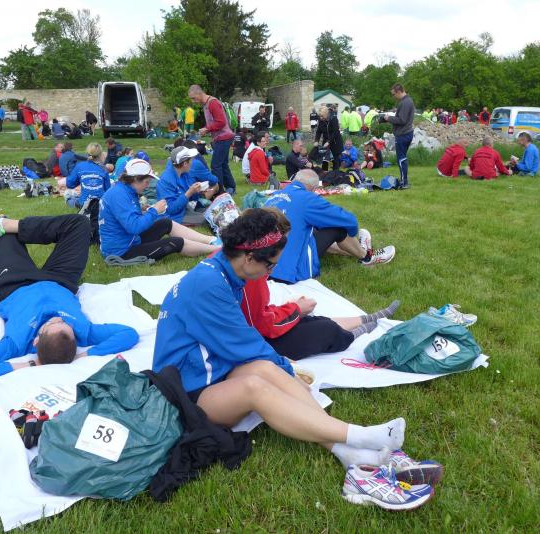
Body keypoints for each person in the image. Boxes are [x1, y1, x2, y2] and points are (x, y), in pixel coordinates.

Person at [152, 208, 436, 509]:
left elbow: (247, 347)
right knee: (255, 387)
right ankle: (362, 436)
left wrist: (283, 369)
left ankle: (350, 455)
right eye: (270, 265)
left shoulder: (222, 272)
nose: (270, 273)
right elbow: (245, 343)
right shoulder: (209, 285)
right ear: (249, 258)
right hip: (185, 397)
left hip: (207, 374)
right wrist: (287, 367)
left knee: (266, 368)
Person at [0, 196, 140, 380]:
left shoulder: (15, 344)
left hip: (17, 285)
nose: (58, 318)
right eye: (65, 323)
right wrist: (85, 355)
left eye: (52, 324)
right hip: (60, 280)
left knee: (3, 237)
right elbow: (129, 334)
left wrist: (28, 365)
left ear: (36, 341)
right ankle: (7, 224)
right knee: (79, 223)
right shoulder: (85, 332)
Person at [242, 207, 400, 359]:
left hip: (252, 332)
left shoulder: (249, 266)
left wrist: (292, 310)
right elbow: (261, 324)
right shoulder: (252, 275)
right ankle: (351, 334)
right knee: (324, 330)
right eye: (271, 264)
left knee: (309, 320)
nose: (271, 271)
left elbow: (257, 314)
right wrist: (295, 309)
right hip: (253, 343)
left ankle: (365, 319)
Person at [264, 169, 396, 284]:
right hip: (290, 273)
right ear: (313, 189)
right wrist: (352, 233)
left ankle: (359, 250)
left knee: (311, 229)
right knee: (337, 229)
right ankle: (367, 257)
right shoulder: (308, 199)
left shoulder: (272, 198)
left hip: (263, 268)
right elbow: (349, 221)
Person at [99, 158, 220, 263]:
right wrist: (154, 211)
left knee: (165, 223)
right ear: (135, 179)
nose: (147, 186)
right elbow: (134, 227)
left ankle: (212, 240)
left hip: (130, 240)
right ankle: (219, 250)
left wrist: (146, 210)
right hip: (122, 252)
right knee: (174, 243)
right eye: (146, 182)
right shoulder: (119, 195)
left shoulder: (124, 190)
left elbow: (129, 219)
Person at [189, 84, 236, 195]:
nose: (193, 101)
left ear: (199, 93)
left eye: (193, 98)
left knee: (215, 165)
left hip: (224, 137)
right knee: (223, 164)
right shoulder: (206, 104)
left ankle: (219, 191)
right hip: (222, 137)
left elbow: (221, 122)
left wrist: (207, 129)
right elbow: (214, 122)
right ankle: (231, 187)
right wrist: (207, 129)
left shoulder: (213, 103)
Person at [157, 146, 219, 225]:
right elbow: (171, 209)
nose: (192, 162)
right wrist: (189, 193)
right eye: (191, 160)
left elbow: (190, 198)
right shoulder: (166, 181)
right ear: (185, 164)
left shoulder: (184, 174)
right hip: (173, 217)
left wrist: (197, 191)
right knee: (211, 218)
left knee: (214, 211)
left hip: (184, 209)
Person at [381, 84, 416, 189]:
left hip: (403, 134)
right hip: (406, 133)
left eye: (394, 94)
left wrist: (388, 118)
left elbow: (402, 120)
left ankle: (404, 182)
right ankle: (404, 181)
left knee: (401, 159)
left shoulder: (405, 102)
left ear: (399, 92)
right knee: (402, 158)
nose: (393, 96)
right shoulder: (407, 101)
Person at [66, 143, 111, 208]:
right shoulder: (104, 169)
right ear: (101, 154)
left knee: (68, 196)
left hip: (84, 203)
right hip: (100, 204)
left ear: (87, 153)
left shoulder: (80, 166)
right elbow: (108, 190)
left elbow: (69, 184)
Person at [314, 106, 343, 171]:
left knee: (335, 160)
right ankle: (324, 173)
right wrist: (316, 140)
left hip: (335, 142)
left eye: (322, 116)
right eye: (320, 116)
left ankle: (336, 173)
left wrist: (328, 142)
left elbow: (335, 132)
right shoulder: (321, 120)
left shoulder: (334, 118)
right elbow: (318, 131)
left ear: (326, 114)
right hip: (326, 141)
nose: (320, 118)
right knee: (325, 159)